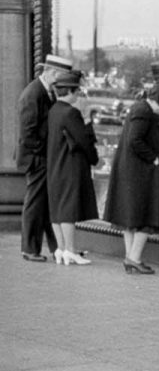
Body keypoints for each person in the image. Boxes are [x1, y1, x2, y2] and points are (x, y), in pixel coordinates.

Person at [103, 80, 159, 274]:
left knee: (131, 217)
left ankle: (131, 257)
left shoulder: (139, 109)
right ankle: (134, 258)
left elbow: (133, 139)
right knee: (147, 215)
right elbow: (135, 140)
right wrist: (153, 158)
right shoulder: (144, 112)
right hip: (141, 173)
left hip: (131, 172)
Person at [17, 55, 72, 261]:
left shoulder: (43, 91)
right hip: (36, 158)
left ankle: (57, 246)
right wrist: (44, 153)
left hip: (40, 156)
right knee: (35, 202)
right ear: (52, 73)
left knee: (46, 202)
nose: (61, 83)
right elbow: (27, 133)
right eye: (60, 77)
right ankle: (29, 249)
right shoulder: (34, 94)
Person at [45, 68, 98, 265]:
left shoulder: (53, 111)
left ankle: (61, 249)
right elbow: (84, 140)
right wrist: (87, 119)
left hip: (55, 165)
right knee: (68, 210)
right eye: (77, 91)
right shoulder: (71, 113)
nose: (79, 95)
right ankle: (71, 250)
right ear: (71, 91)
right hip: (70, 166)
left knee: (57, 208)